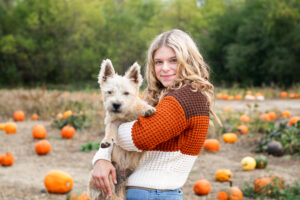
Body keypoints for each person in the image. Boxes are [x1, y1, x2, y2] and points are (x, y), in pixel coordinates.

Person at [92, 29, 218, 200]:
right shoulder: (165, 97)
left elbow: (139, 137)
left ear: (188, 60)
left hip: (154, 193)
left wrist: (112, 127)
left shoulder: (186, 97)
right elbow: (116, 132)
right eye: (158, 62)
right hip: (149, 192)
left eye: (173, 60)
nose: (165, 68)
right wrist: (101, 158)